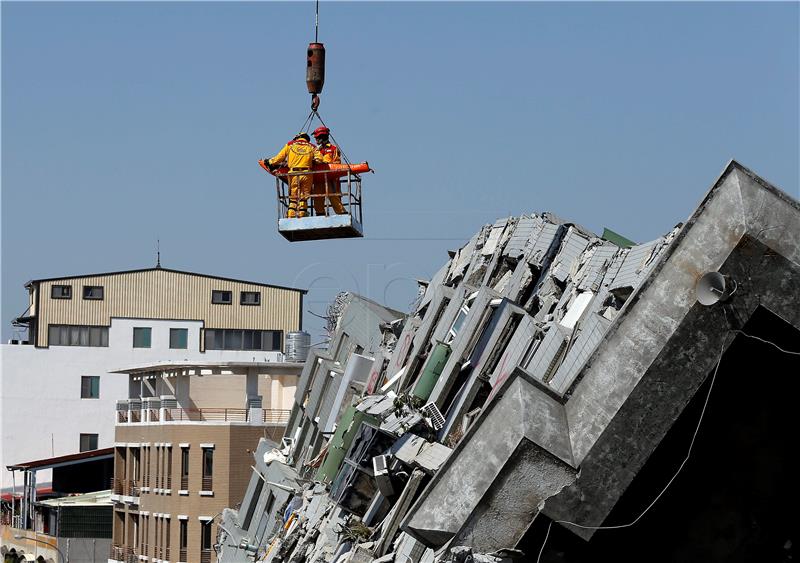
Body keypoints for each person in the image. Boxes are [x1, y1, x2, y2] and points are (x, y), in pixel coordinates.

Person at [266, 133, 316, 218]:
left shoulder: (290, 144)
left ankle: (291, 216)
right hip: (307, 174)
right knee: (303, 198)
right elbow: (320, 159)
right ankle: (302, 215)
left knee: (293, 198)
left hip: (294, 174)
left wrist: (269, 162)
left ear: (297, 138)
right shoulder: (312, 146)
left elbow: (279, 158)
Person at [311, 126, 346, 215]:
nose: (316, 140)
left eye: (317, 138)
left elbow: (337, 163)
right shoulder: (315, 150)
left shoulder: (333, 149)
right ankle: (320, 214)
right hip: (318, 179)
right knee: (317, 198)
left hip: (331, 179)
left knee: (334, 197)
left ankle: (342, 214)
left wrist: (325, 164)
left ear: (323, 137)